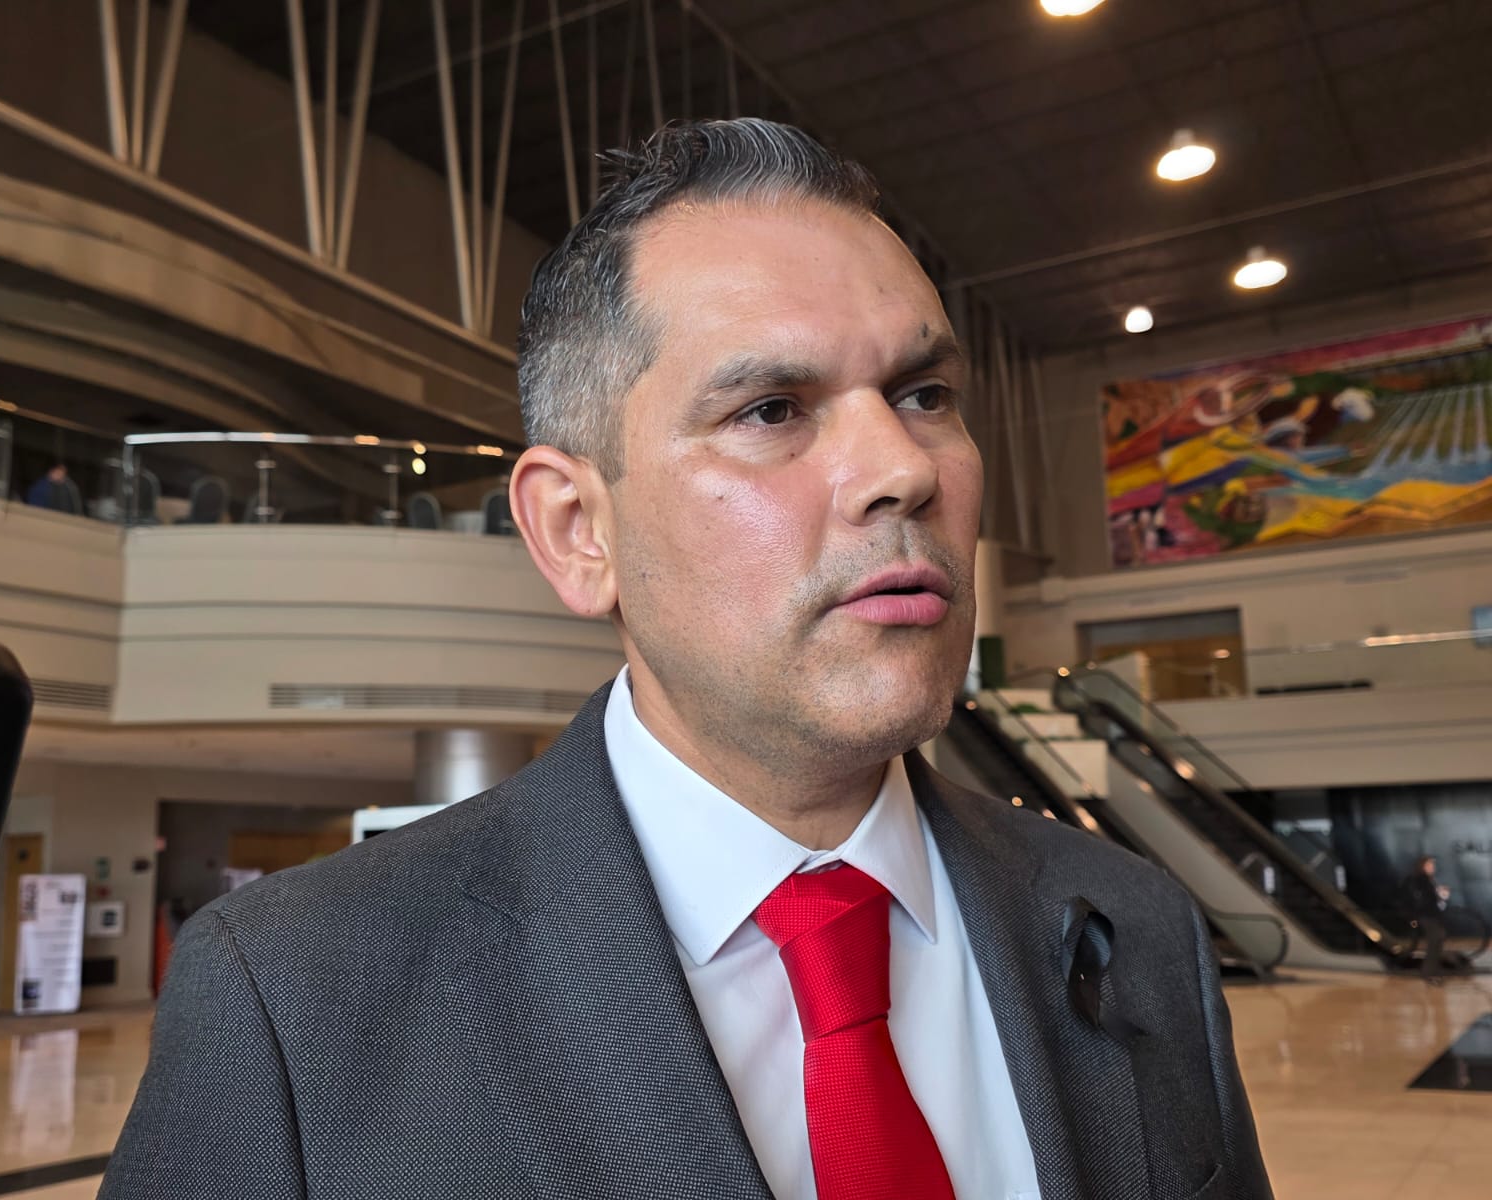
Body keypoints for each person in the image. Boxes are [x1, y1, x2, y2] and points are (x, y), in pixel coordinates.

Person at [101, 120, 1271, 1200]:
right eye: (770, 409)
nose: (903, 469)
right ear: (579, 531)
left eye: (923, 393)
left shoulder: (1138, 925)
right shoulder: (295, 997)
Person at [1401, 853, 1450, 984]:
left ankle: (1433, 971)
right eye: (1429, 864)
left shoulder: (1428, 880)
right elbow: (1424, 899)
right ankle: (1429, 973)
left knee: (1438, 940)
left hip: (1431, 915)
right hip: (1427, 916)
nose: (1432, 866)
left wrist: (1439, 895)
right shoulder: (1420, 880)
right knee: (1435, 942)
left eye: (1433, 864)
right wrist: (1439, 895)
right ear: (1422, 866)